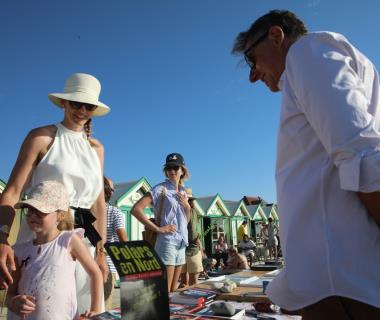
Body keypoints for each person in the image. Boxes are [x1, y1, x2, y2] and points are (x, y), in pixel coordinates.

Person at [232, 9, 380, 319]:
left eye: (251, 59)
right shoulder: (311, 64)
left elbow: (362, 155)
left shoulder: (306, 52)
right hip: (337, 282)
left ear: (276, 36)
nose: (253, 74)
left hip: (341, 286)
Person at [0, 73, 110, 314]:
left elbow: (99, 205)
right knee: (41, 309)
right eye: (76, 103)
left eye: (88, 105)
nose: (82, 110)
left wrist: (101, 253)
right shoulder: (41, 137)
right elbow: (12, 192)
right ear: (64, 102)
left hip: (84, 243)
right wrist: (1, 238)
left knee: (86, 310)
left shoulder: (97, 149)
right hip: (41, 238)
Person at [6, 180, 103, 319]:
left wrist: (95, 310)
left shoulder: (68, 240)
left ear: (60, 215)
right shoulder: (20, 251)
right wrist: (14, 303)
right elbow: (10, 294)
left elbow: (95, 273)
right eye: (30, 210)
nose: (33, 215)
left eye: (40, 211)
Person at [131, 153, 191, 292]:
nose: (172, 171)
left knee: (172, 290)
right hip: (167, 241)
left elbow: (185, 222)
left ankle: (171, 314)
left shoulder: (183, 192)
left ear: (182, 170)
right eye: (169, 168)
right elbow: (136, 210)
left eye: (175, 168)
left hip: (182, 241)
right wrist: (159, 229)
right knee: (164, 290)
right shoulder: (160, 189)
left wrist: (187, 207)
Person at [103, 177, 128, 311]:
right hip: (107, 265)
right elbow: (123, 240)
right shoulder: (114, 212)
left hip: (85, 264)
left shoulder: (84, 210)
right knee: (104, 308)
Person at [179, 189, 203, 288]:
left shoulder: (178, 211)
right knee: (193, 283)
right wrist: (198, 244)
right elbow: (193, 231)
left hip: (180, 249)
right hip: (192, 249)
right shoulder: (192, 211)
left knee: (184, 282)